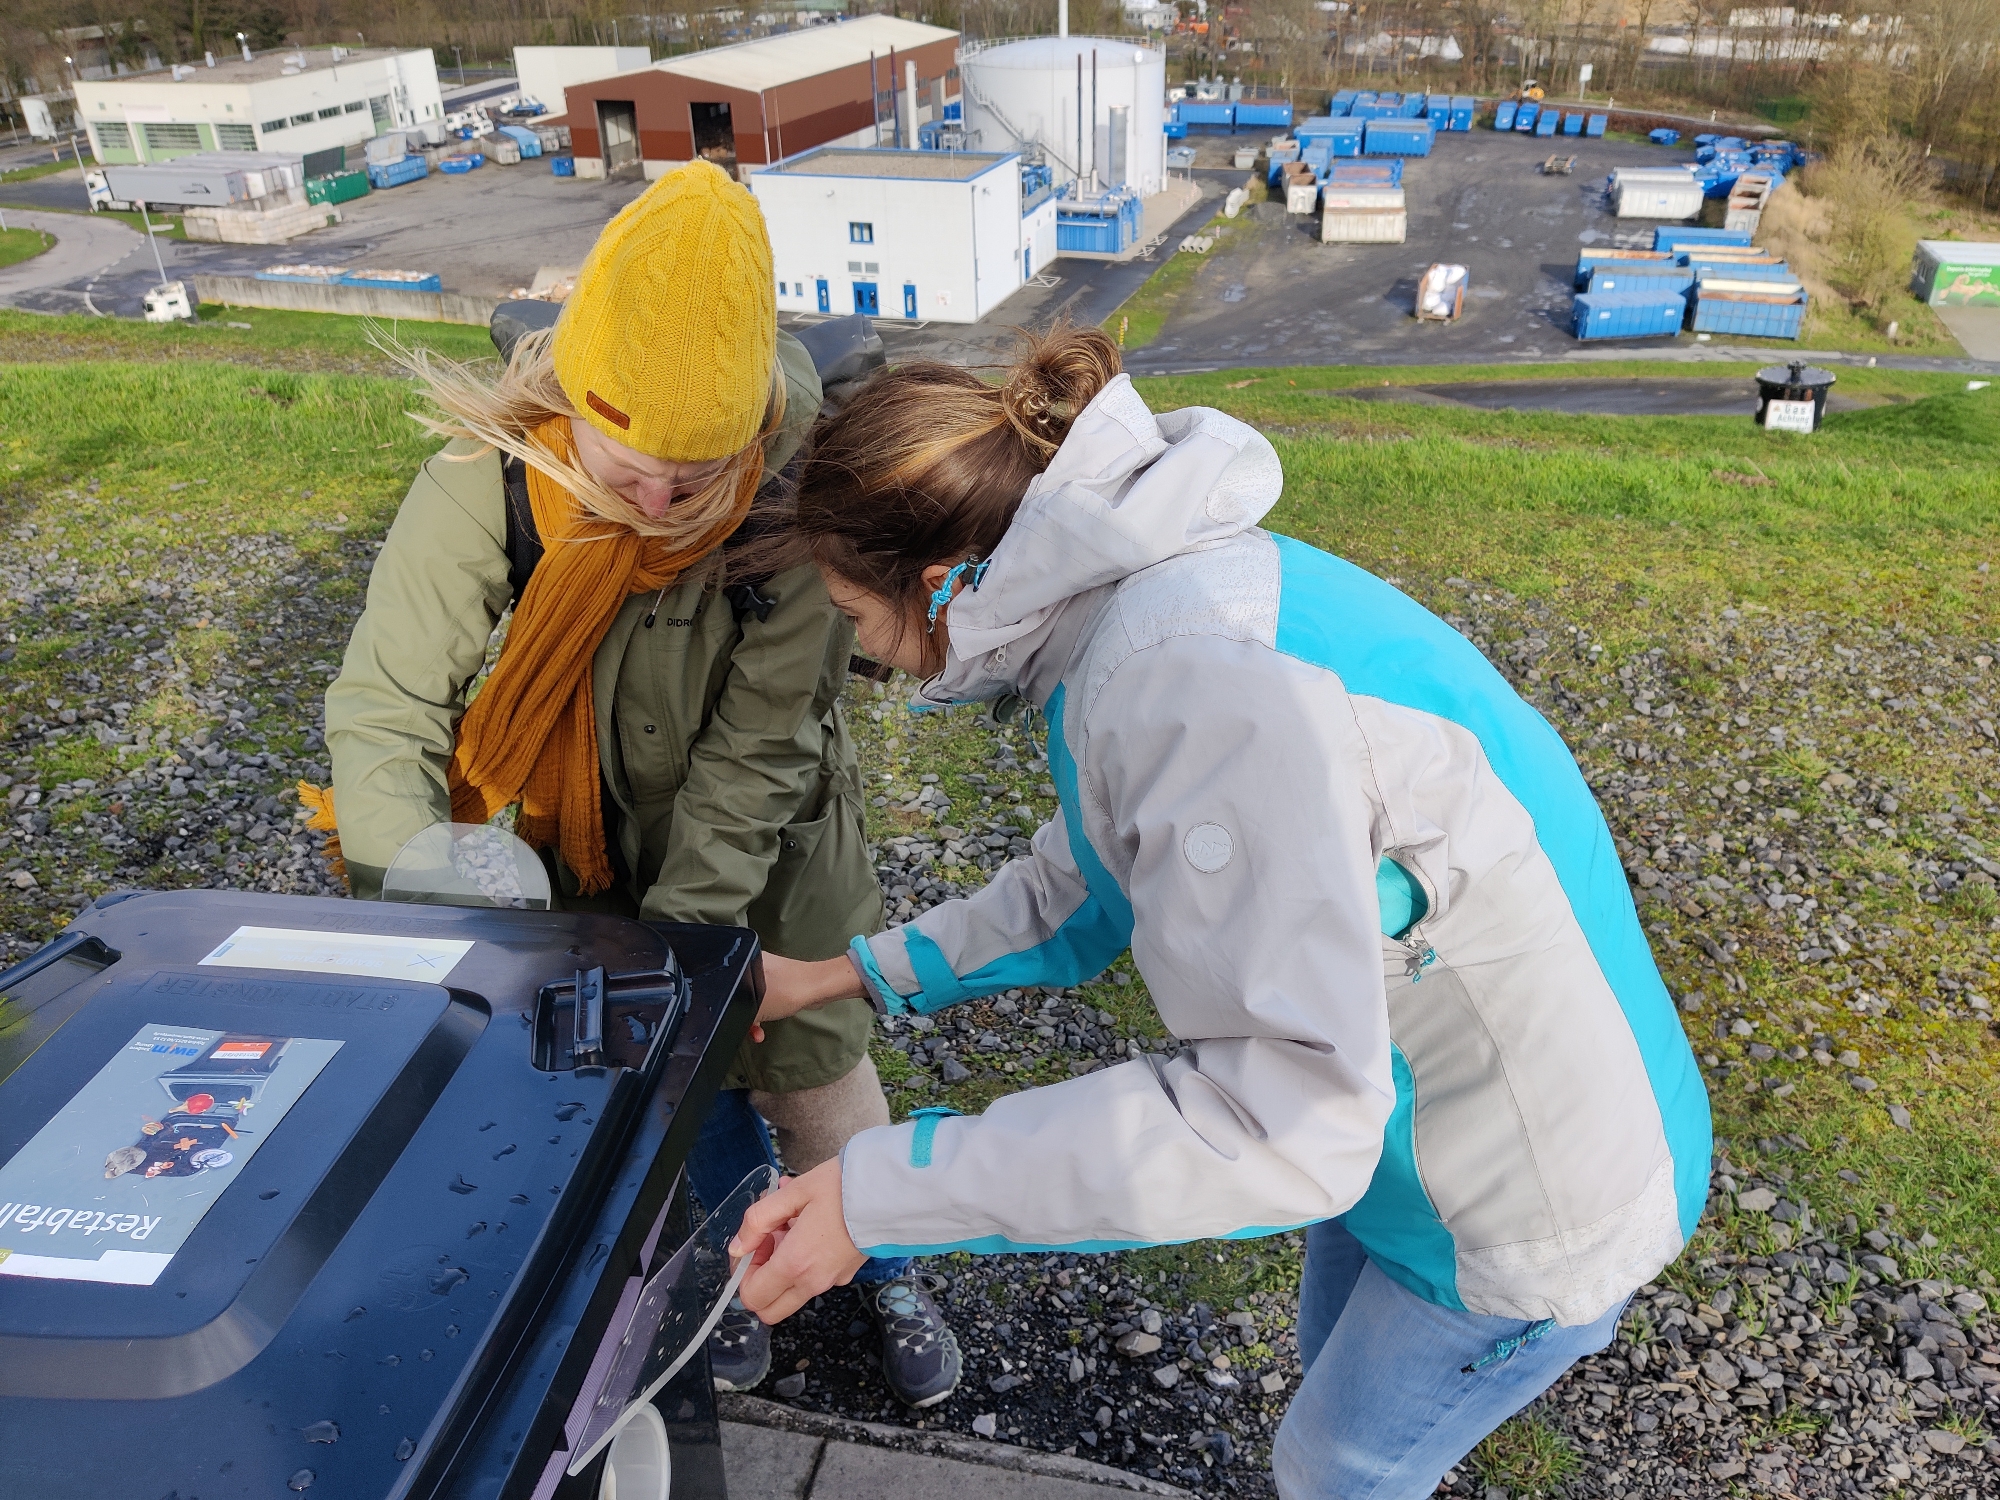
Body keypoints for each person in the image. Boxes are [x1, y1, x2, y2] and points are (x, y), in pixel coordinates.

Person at [731, 326, 1712, 1494]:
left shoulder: (1193, 685)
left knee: (1335, 1465)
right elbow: (1082, 882)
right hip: (1412, 1111)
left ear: (939, 582)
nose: (863, 656)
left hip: (1528, 1189)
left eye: (852, 615)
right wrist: (838, 974)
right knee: (1323, 1379)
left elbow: (1275, 1122)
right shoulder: (1141, 608)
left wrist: (877, 1191)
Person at [312, 161, 960, 1408]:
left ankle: (888, 1258)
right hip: (580, 843)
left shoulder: (790, 501)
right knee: (673, 1072)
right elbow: (389, 703)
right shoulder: (487, 477)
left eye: (696, 475)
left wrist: (693, 947)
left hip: (775, 848)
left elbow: (759, 752)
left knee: (811, 1062)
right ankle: (722, 1261)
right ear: (568, 401)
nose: (662, 502)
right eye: (630, 465)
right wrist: (416, 879)